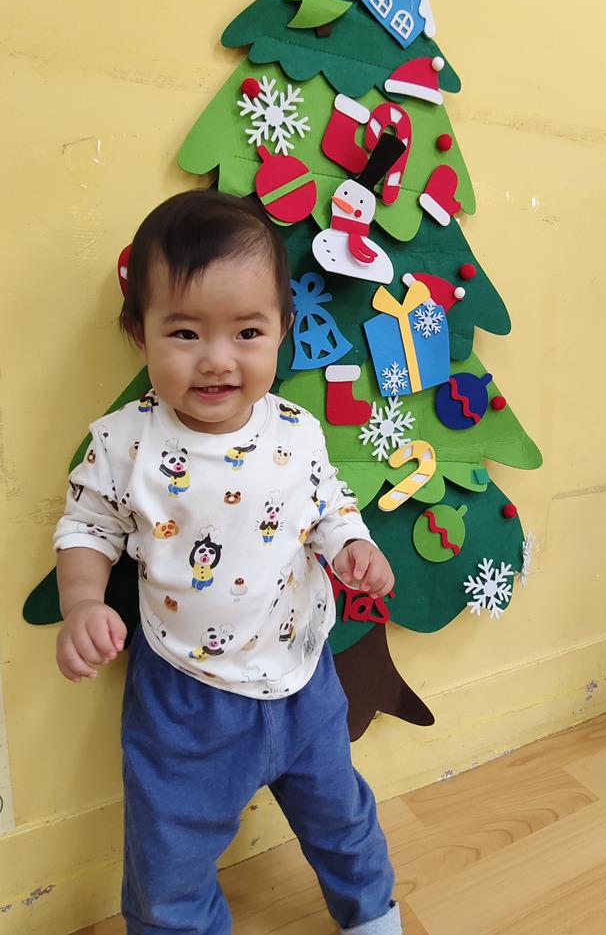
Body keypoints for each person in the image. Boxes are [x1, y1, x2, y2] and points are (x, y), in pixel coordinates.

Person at [53, 190, 402, 935]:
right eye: (184, 332)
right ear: (139, 333)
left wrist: (353, 545)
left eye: (247, 331)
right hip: (185, 699)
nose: (217, 359)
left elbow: (328, 504)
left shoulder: (298, 431)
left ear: (282, 329)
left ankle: (373, 915)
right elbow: (86, 526)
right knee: (168, 862)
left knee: (343, 818)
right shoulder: (124, 442)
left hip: (304, 680)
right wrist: (83, 602)